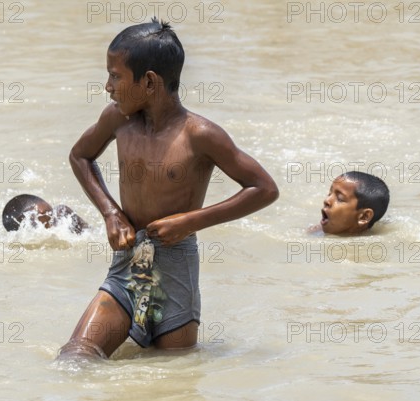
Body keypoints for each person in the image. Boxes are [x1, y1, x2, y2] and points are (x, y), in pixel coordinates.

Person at [57, 18, 279, 361]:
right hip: (127, 265)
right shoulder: (117, 120)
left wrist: (190, 221)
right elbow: (80, 156)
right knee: (75, 358)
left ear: (149, 82)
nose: (107, 87)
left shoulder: (200, 135)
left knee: (172, 375)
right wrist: (111, 213)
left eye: (115, 76)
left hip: (176, 270)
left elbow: (264, 189)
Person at [318, 171, 389, 235]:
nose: (326, 200)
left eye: (340, 198)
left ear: (364, 216)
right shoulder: (317, 230)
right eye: (329, 194)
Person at [2, 194, 88, 234]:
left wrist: (79, 224)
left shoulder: (64, 214)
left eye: (52, 214)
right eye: (52, 220)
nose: (58, 220)